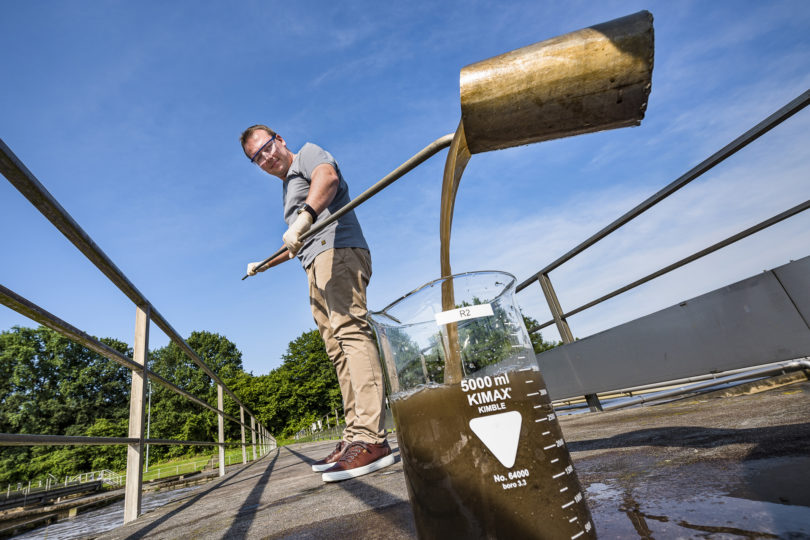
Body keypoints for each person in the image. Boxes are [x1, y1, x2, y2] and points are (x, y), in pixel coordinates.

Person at [240, 125, 393, 482]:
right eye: (257, 157)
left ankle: (373, 438)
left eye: (267, 147)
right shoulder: (286, 188)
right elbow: (295, 241)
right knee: (336, 349)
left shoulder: (306, 155)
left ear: (280, 139)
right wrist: (264, 264)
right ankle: (355, 435)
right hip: (313, 263)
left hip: (337, 250)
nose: (266, 158)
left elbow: (328, 177)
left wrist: (305, 217)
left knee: (351, 334)